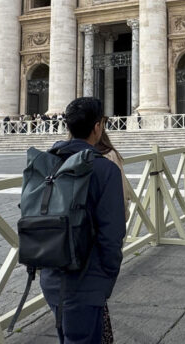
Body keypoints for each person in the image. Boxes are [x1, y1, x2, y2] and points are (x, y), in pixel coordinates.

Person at [39, 97, 126, 344]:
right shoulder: (105, 169)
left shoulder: (45, 163)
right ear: (98, 127)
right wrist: (106, 279)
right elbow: (112, 235)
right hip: (87, 278)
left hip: (50, 274)